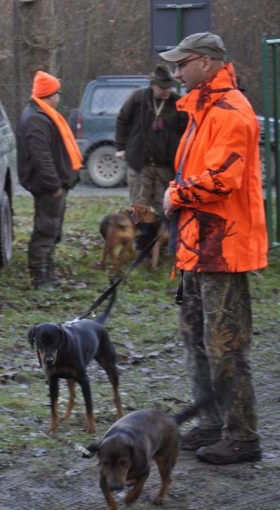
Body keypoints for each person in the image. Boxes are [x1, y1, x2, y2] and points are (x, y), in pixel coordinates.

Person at [160, 32, 267, 464]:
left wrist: (176, 195)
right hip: (198, 248)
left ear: (206, 63)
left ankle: (242, 437)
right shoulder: (202, 111)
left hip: (223, 250)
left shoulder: (231, 112)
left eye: (182, 63)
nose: (177, 71)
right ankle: (210, 424)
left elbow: (223, 178)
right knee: (197, 341)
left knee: (225, 347)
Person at [16, 70, 82, 289]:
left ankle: (49, 273)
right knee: (45, 229)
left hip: (54, 184)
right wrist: (54, 185)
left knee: (53, 229)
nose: (59, 96)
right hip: (48, 187)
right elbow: (41, 156)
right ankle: (40, 278)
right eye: (57, 92)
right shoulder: (36, 118)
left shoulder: (42, 114)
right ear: (50, 94)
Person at [115, 64, 188, 212]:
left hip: (166, 166)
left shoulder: (179, 103)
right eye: (163, 87)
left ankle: (163, 234)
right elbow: (122, 120)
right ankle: (140, 234)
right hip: (140, 164)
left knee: (165, 209)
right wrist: (121, 148)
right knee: (139, 209)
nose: (167, 91)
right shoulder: (138, 98)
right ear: (153, 85)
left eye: (169, 87)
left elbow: (186, 132)